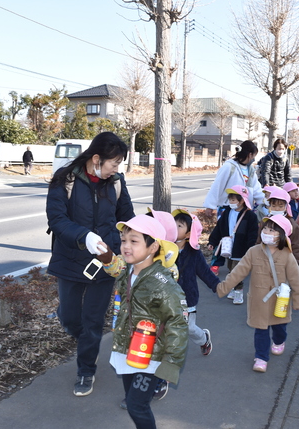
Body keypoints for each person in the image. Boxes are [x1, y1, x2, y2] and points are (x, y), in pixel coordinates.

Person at [46, 132, 135, 397]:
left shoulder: (116, 183)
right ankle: (78, 331)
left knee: (93, 322)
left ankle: (86, 370)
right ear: (97, 159)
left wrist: (135, 244)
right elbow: (57, 220)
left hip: (107, 262)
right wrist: (84, 236)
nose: (116, 169)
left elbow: (127, 218)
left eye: (119, 164)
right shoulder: (65, 180)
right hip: (71, 260)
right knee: (72, 319)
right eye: (114, 163)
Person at [109, 215, 188, 429]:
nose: (126, 246)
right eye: (124, 240)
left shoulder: (163, 283)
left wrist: (171, 363)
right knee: (132, 399)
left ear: (153, 247)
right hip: (129, 351)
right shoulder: (127, 273)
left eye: (134, 241)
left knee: (136, 405)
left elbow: (178, 322)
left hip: (153, 355)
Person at [214, 215, 299, 372]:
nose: (266, 232)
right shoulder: (253, 252)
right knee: (260, 330)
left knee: (279, 328)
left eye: (272, 230)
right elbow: (238, 272)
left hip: (280, 300)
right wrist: (223, 287)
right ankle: (261, 358)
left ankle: (279, 341)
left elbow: (295, 278)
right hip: (259, 299)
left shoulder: (286, 254)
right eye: (265, 228)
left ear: (282, 234)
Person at [172, 208, 220, 356]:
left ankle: (204, 338)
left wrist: (217, 286)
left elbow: (204, 272)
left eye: (179, 225)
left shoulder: (193, 253)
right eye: (173, 223)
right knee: (169, 328)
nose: (175, 226)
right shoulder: (164, 248)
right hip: (168, 297)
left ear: (188, 234)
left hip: (187, 297)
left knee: (188, 328)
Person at [208, 185, 259, 305]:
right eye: (230, 200)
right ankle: (233, 288)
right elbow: (219, 228)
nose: (231, 202)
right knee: (231, 269)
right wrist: (212, 242)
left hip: (242, 248)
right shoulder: (227, 213)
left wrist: (250, 248)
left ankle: (238, 291)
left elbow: (253, 233)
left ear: (242, 201)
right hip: (229, 248)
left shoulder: (250, 216)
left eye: (233, 200)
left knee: (238, 270)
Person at [203, 140, 265, 213]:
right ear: (250, 154)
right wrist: (210, 206)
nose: (254, 159)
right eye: (254, 156)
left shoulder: (250, 170)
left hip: (244, 209)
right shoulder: (229, 167)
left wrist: (267, 202)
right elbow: (217, 185)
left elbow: (256, 189)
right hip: (227, 207)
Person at [255, 187, 299, 265]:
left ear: (286, 207)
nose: (277, 208)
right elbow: (259, 240)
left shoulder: (291, 224)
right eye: (274, 206)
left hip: (284, 262)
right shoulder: (265, 221)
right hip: (265, 260)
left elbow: (296, 245)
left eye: (280, 206)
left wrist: (295, 263)